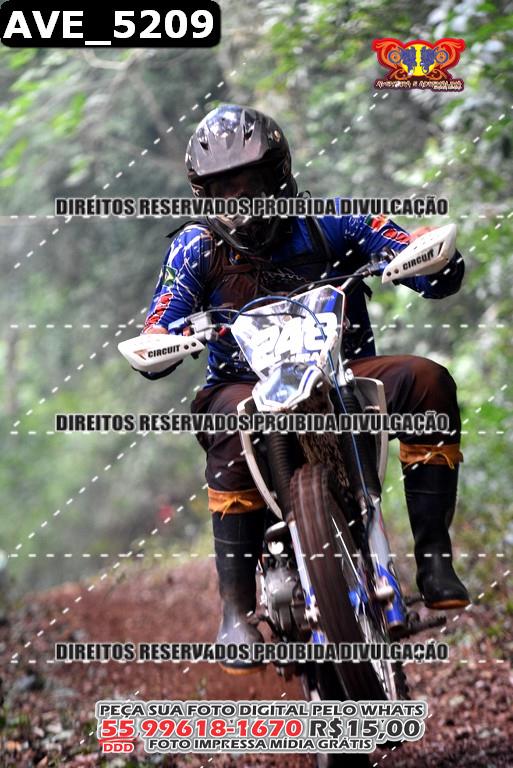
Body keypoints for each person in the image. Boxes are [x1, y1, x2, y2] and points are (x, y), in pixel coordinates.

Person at [141, 104, 470, 673]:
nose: (239, 200)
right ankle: (236, 612)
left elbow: (418, 259)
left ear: (280, 173)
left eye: (249, 181)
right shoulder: (195, 248)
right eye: (223, 189)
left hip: (344, 375)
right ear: (203, 195)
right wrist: (160, 341)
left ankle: (435, 559)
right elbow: (161, 319)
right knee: (226, 421)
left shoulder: (333, 220)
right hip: (243, 388)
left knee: (427, 380)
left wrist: (430, 260)